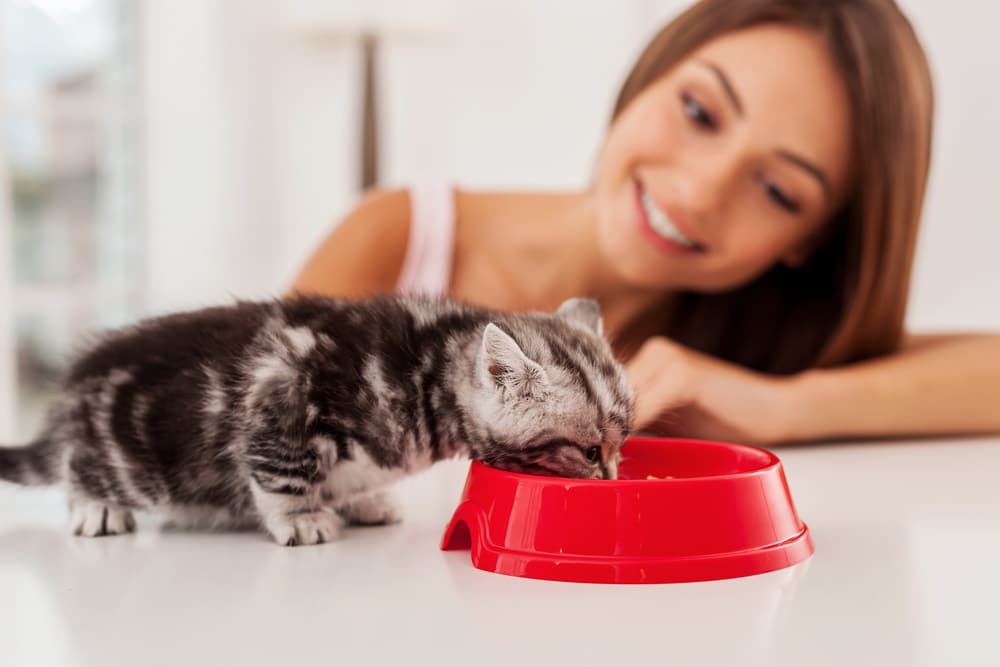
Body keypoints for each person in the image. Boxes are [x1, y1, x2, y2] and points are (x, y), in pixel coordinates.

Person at [290, 0, 1000, 445]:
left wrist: (780, 406)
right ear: (655, 70)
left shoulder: (749, 350)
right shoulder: (401, 238)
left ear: (809, 243)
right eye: (699, 111)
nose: (696, 190)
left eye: (779, 190)